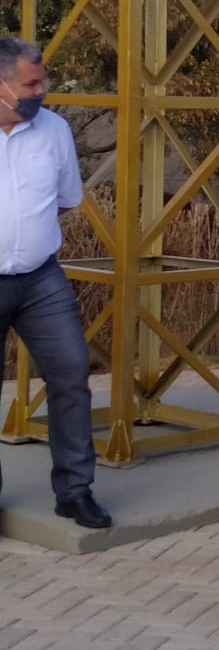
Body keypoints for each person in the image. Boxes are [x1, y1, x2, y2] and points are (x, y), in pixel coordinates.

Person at [0, 36, 111, 529]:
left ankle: (74, 491)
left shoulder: (55, 130)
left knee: (71, 375)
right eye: (31, 83)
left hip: (42, 278)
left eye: (42, 81)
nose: (42, 91)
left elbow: (67, 199)